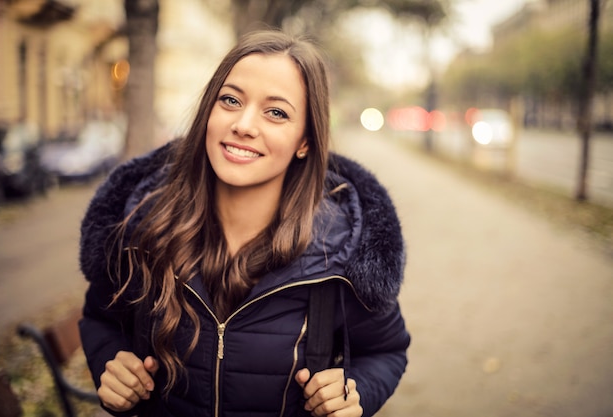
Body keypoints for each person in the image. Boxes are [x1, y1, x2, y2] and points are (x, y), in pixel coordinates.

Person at [79, 29, 411, 417]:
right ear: (208, 113)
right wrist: (112, 366)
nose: (244, 124)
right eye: (231, 100)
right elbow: (100, 320)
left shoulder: (339, 253)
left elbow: (386, 351)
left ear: (305, 140)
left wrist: (355, 394)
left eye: (276, 112)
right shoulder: (143, 228)